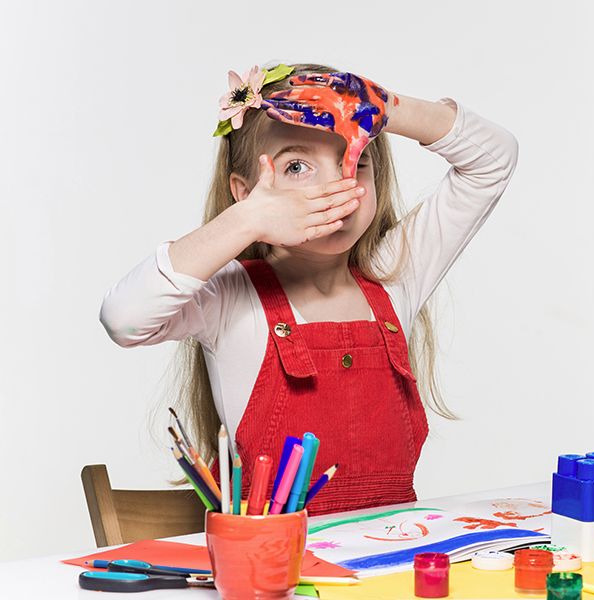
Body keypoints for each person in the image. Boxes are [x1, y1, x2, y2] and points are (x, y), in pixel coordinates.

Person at [99, 61, 519, 515]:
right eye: (297, 166)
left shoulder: (396, 274)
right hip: (274, 557)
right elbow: (124, 319)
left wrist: (383, 107)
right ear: (244, 193)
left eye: (355, 161)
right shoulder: (230, 296)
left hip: (390, 551)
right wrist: (245, 222)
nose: (336, 186)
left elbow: (494, 158)